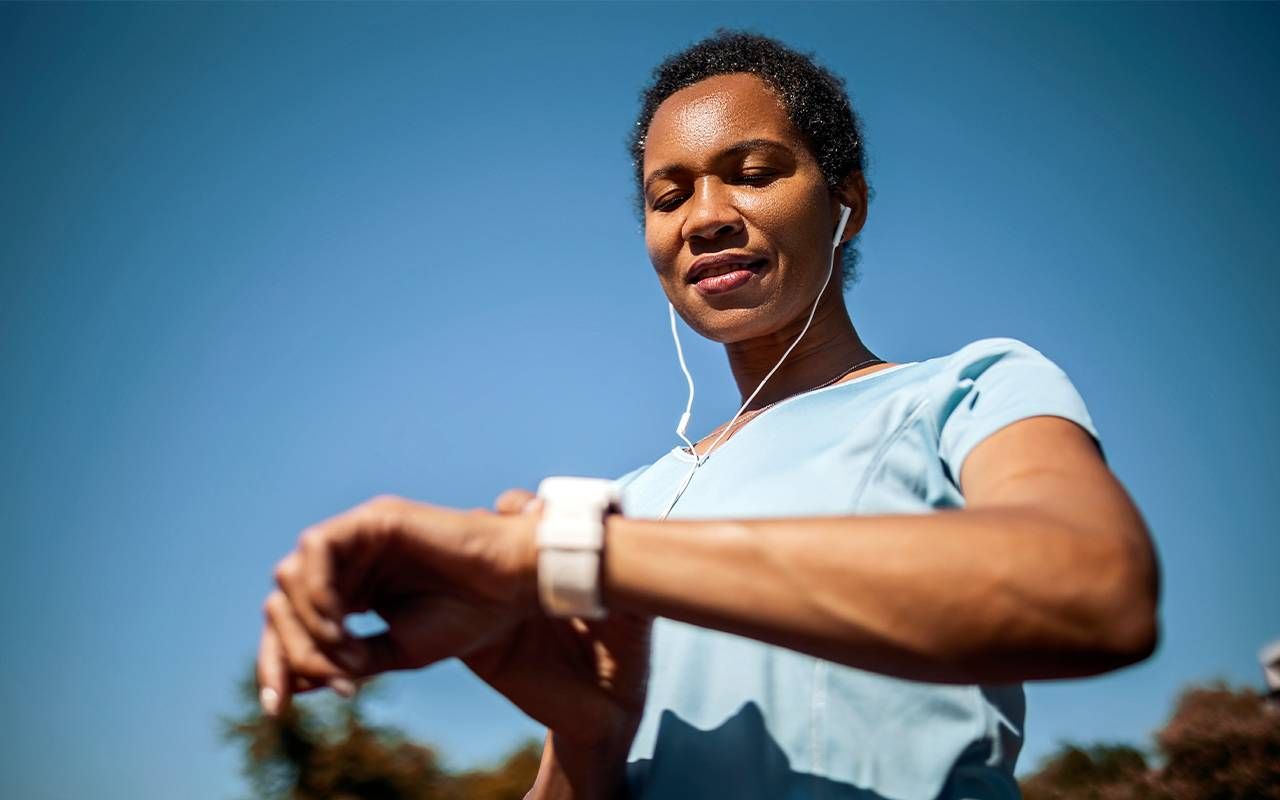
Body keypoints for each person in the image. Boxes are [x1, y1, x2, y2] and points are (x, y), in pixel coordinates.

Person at [256, 30, 1160, 800]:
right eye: (669, 194)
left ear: (848, 205)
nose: (707, 217)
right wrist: (586, 736)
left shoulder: (969, 392)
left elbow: (1096, 590)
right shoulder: (623, 503)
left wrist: (576, 555)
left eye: (754, 174)